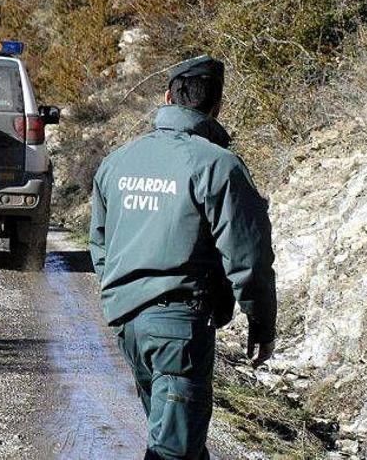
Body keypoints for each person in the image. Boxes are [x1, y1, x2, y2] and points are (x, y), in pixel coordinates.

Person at [89, 55, 277, 459]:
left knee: (177, 441)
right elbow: (248, 256)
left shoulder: (116, 162)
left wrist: (119, 299)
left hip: (129, 325)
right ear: (216, 107)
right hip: (179, 327)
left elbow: (100, 245)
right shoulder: (218, 166)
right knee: (174, 450)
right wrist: (261, 321)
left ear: (168, 97)